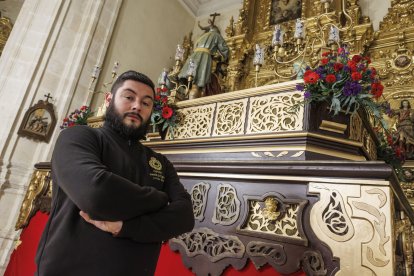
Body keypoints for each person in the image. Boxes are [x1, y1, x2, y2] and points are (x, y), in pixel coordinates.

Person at [35, 70, 195, 276]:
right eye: (129, 97)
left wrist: (126, 227)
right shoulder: (79, 137)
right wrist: (159, 199)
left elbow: (184, 217)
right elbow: (95, 193)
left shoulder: (159, 162)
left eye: (146, 103)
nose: (137, 106)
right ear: (109, 99)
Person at [178, 18, 229, 99]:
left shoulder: (201, 37)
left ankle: (183, 96)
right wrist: (224, 59)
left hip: (193, 57)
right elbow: (225, 49)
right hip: (204, 57)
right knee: (197, 84)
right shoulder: (216, 35)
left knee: (187, 83)